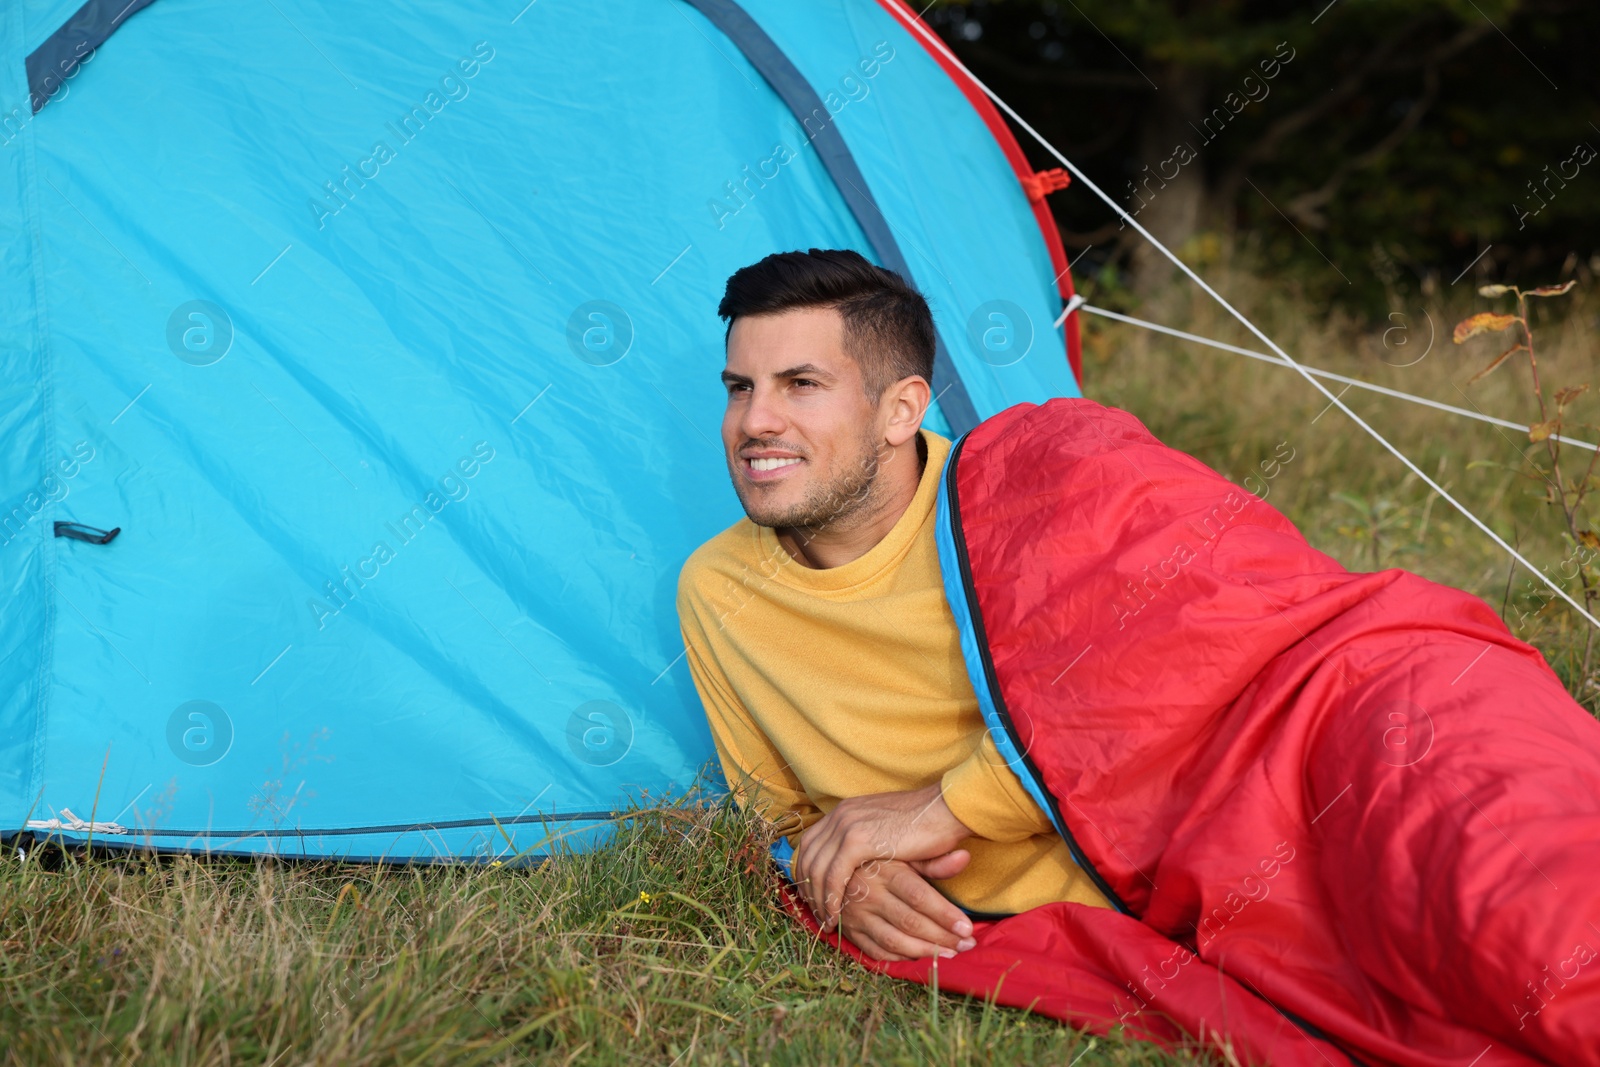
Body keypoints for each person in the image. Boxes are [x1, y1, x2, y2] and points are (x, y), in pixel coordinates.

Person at [675, 248, 1105, 962]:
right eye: (739, 387)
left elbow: (1132, 720)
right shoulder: (716, 588)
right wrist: (848, 872)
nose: (755, 422)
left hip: (1142, 880)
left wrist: (948, 807)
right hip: (964, 933)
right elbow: (778, 815)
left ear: (901, 409)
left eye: (801, 384)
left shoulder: (1016, 515)